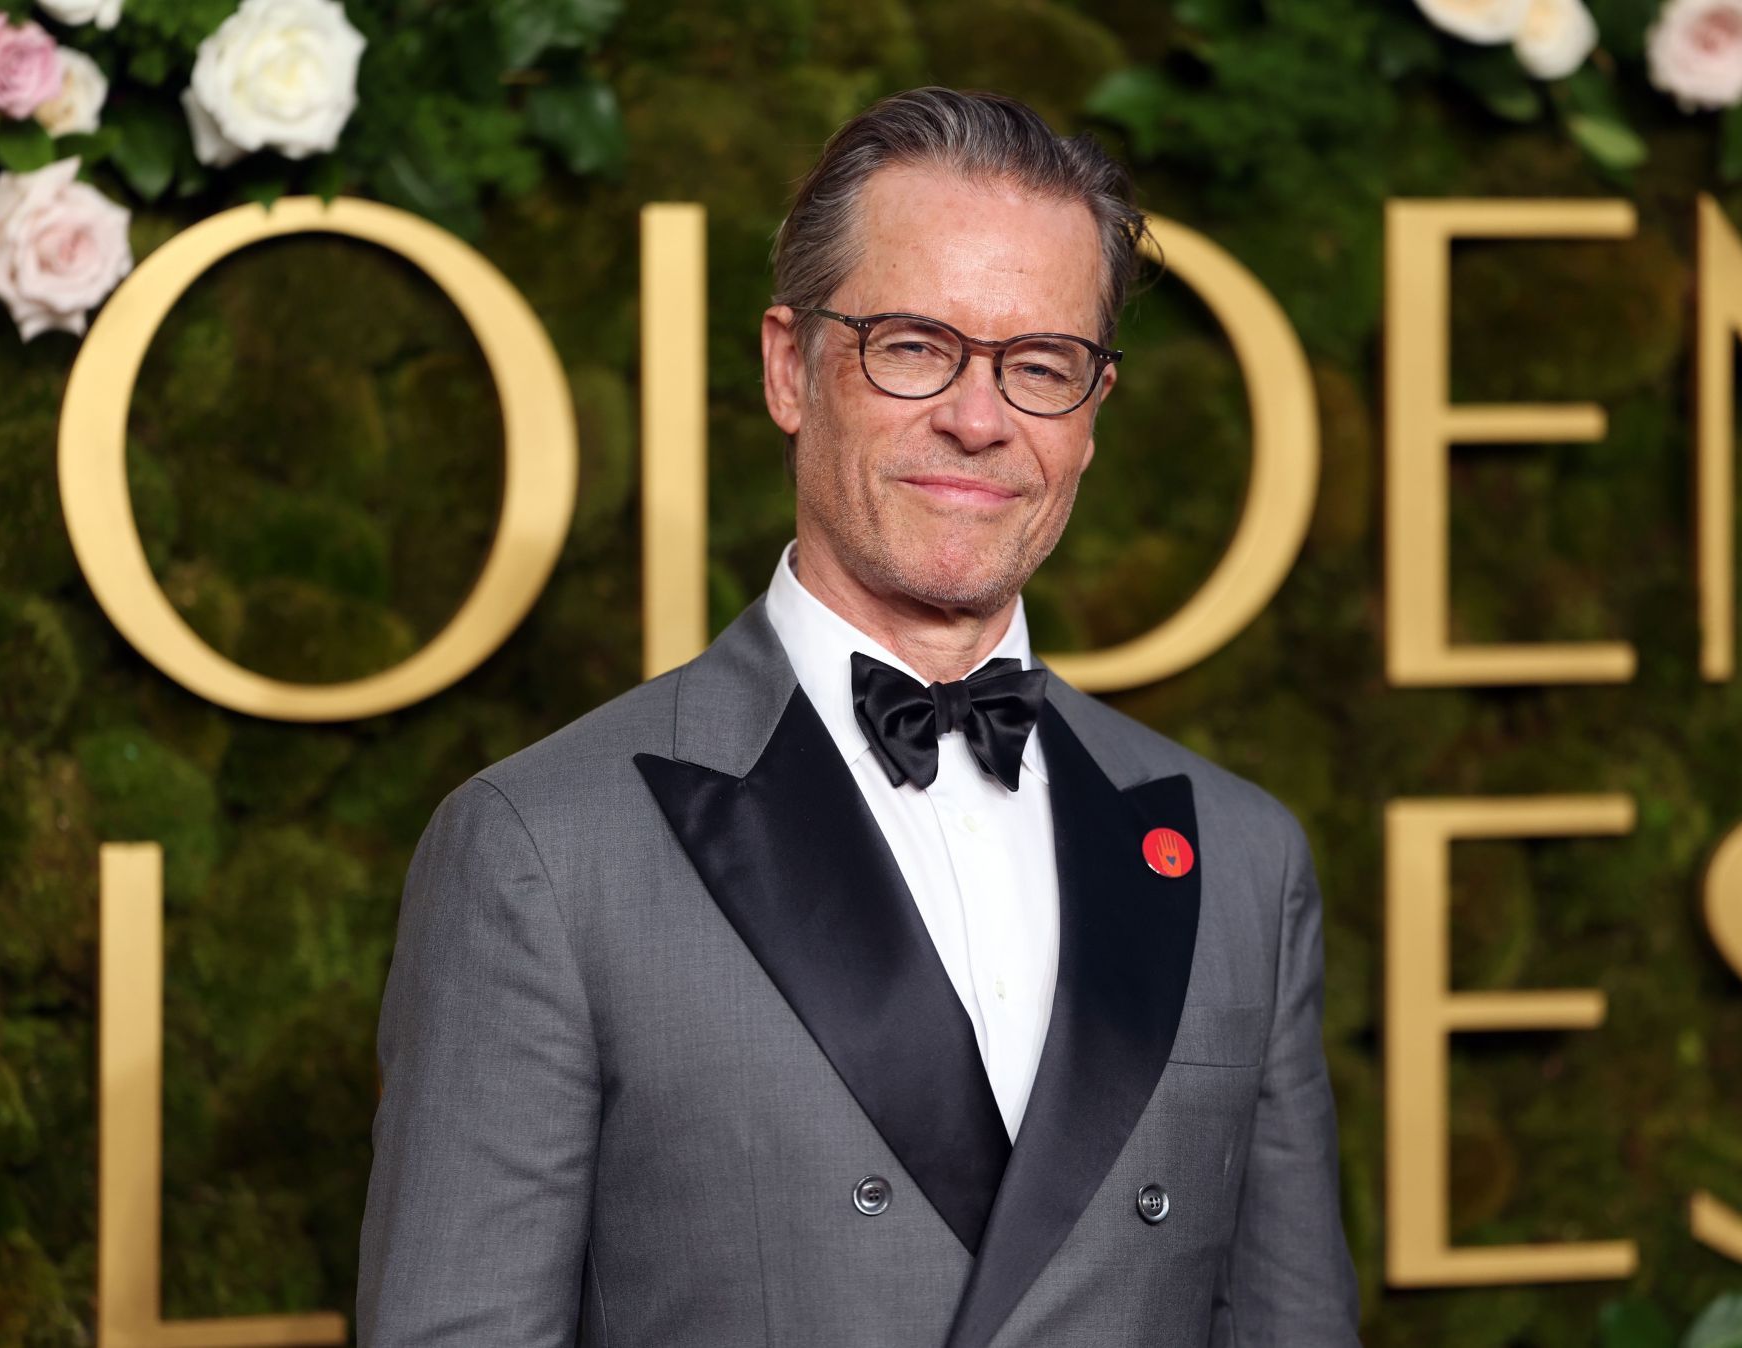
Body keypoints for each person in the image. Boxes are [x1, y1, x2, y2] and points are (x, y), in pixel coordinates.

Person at [356, 85, 1361, 1347]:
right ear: (791, 368)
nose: (980, 418)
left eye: (1039, 366)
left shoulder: (1242, 856)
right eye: (913, 346)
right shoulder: (542, 849)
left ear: (1093, 417)